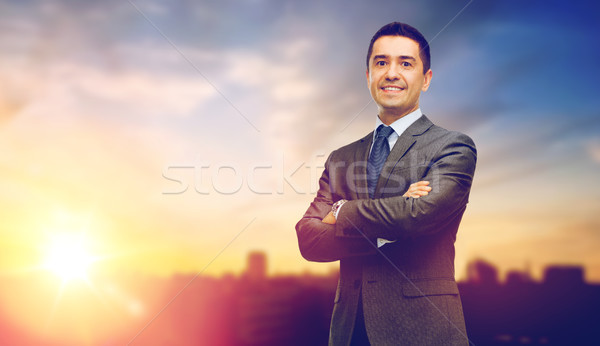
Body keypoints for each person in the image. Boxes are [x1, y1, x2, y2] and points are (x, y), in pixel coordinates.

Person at [296, 22, 476, 345]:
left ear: (427, 79)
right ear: (368, 77)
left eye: (406, 63)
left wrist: (342, 212)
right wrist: (389, 226)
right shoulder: (342, 158)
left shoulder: (453, 147)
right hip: (350, 334)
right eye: (381, 63)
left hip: (424, 331)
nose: (391, 73)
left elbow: (418, 216)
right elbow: (308, 239)